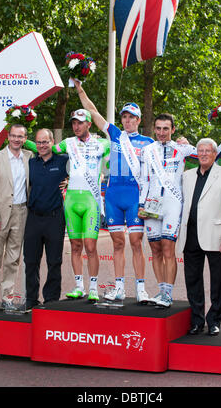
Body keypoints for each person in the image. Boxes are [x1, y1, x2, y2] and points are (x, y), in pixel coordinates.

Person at [138, 114, 221, 308]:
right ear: (154, 129)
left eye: (166, 129)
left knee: (167, 247)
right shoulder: (147, 151)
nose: (162, 132)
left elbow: (211, 153)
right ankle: (162, 291)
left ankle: (168, 295)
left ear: (173, 130)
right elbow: (144, 179)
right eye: (158, 128)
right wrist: (141, 204)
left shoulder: (182, 149)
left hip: (172, 204)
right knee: (155, 249)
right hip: (151, 203)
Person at [73, 79, 154, 303]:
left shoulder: (149, 142)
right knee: (118, 242)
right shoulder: (116, 134)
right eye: (124, 117)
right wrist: (80, 88)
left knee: (137, 242)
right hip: (114, 195)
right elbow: (92, 111)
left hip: (134, 194)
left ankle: (140, 289)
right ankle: (119, 287)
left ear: (138, 120)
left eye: (131, 117)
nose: (127, 121)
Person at [25, 112, 110, 303]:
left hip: (91, 201)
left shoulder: (103, 143)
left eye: (80, 123)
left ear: (89, 123)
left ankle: (94, 287)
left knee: (90, 246)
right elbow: (48, 148)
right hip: (71, 200)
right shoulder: (68, 143)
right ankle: (79, 286)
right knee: (75, 246)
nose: (76, 126)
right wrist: (23, 140)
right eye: (73, 123)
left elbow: (115, 154)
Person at [177, 138, 221, 336]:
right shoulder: (187, 176)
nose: (203, 154)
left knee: (218, 281)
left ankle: (214, 320)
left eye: (207, 151)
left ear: (214, 153)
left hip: (216, 235)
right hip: (191, 235)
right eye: (200, 151)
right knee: (192, 281)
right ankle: (196, 320)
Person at [0, 124, 32, 312]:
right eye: (14, 136)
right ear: (8, 137)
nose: (17, 139)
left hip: (21, 213)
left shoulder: (29, 157)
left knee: (13, 259)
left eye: (21, 136)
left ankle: (8, 297)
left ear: (25, 139)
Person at [23, 129, 68, 311]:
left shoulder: (64, 161)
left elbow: (86, 168)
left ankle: (51, 300)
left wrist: (70, 181)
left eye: (45, 142)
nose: (42, 146)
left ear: (52, 142)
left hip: (55, 218)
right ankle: (31, 300)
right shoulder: (30, 163)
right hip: (33, 218)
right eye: (39, 142)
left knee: (54, 261)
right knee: (31, 261)